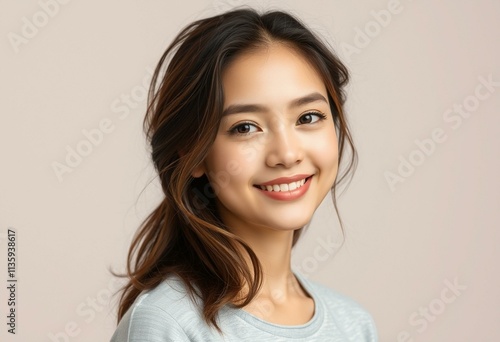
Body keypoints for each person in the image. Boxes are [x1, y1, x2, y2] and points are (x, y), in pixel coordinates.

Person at [111, 6, 378, 342]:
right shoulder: (167, 325)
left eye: (308, 117)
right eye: (245, 127)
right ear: (193, 154)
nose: (287, 154)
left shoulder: (354, 325)